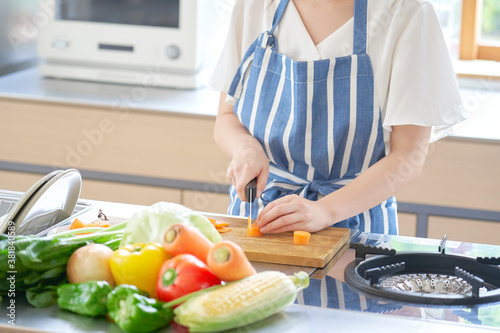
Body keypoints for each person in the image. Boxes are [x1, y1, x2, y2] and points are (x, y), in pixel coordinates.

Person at [207, 0, 465, 235]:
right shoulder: (254, 6)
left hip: (356, 228)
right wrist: (246, 147)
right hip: (259, 217)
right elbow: (227, 116)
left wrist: (324, 211)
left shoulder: (406, 14)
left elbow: (409, 156)